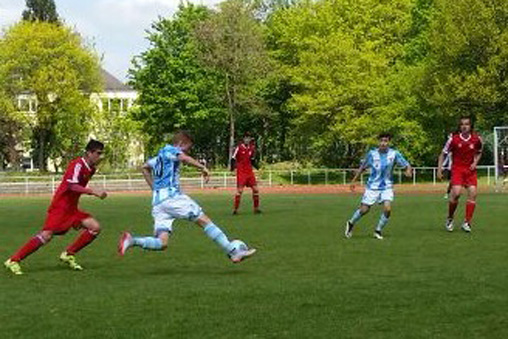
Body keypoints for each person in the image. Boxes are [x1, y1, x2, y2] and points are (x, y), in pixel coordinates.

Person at [118, 131, 256, 263]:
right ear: (180, 143)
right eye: (187, 148)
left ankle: (132, 240)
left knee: (162, 243)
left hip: (158, 203)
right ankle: (233, 251)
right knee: (204, 220)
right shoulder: (171, 150)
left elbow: (144, 168)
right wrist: (202, 167)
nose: (187, 151)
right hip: (173, 199)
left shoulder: (160, 156)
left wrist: (155, 188)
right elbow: (183, 158)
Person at [4, 140, 107, 275]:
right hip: (61, 207)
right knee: (46, 236)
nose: (100, 157)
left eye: (101, 154)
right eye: (98, 153)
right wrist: (93, 191)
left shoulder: (91, 168)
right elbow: (71, 186)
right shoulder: (77, 165)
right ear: (89, 153)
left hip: (72, 208)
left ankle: (69, 254)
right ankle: (13, 260)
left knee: (95, 228)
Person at [345, 133, 412, 240]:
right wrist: (354, 181)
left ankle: (378, 230)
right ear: (378, 142)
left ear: (389, 142)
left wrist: (408, 171)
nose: (383, 143)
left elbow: (406, 164)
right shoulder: (372, 154)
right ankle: (351, 223)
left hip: (387, 186)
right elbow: (362, 167)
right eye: (381, 141)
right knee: (364, 210)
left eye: (385, 141)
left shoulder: (394, 154)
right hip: (372, 187)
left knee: (388, 208)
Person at [438, 117, 482, 232]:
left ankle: (467, 223)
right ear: (459, 127)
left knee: (473, 193)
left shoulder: (476, 139)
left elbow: (479, 152)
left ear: (470, 126)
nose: (464, 126)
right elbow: (442, 154)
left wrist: (475, 162)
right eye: (462, 124)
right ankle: (450, 218)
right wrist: (439, 170)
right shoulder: (453, 139)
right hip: (457, 169)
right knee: (456, 193)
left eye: (467, 124)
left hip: (470, 171)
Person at [231, 132, 261, 215]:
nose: (247, 139)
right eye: (246, 138)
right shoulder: (239, 148)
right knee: (239, 191)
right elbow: (233, 159)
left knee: (256, 189)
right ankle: (235, 209)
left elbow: (252, 160)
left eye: (249, 138)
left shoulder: (251, 148)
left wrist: (258, 168)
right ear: (243, 139)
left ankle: (256, 208)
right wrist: (232, 169)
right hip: (241, 172)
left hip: (249, 172)